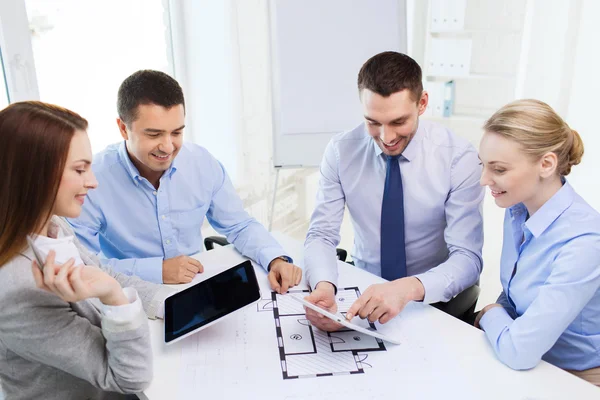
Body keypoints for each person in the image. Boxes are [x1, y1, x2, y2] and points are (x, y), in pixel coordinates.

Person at [68, 70, 302, 291]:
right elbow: (81, 263)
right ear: (122, 128)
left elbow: (238, 225)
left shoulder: (201, 163)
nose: (168, 146)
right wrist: (158, 270)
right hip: (130, 293)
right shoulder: (90, 180)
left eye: (177, 132)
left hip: (197, 287)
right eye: (154, 134)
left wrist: (275, 258)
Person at [0, 101, 173, 399]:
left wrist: (170, 305)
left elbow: (101, 271)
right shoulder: (16, 287)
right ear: (34, 175)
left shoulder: (50, 224)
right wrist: (115, 298)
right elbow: (128, 378)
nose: (92, 183)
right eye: (80, 170)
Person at [303, 51, 484, 330]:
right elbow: (321, 235)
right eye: (373, 122)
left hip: (431, 296)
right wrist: (324, 286)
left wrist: (407, 289)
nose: (386, 138)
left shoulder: (458, 158)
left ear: (422, 103)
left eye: (399, 122)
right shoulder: (341, 152)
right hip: (364, 288)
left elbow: (467, 258)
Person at [475, 99, 600, 386]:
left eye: (499, 169)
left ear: (546, 164)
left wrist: (490, 314)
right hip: (524, 358)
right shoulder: (517, 209)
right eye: (483, 165)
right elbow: (514, 295)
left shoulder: (585, 241)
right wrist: (496, 315)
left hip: (575, 376)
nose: (484, 180)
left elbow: (520, 352)